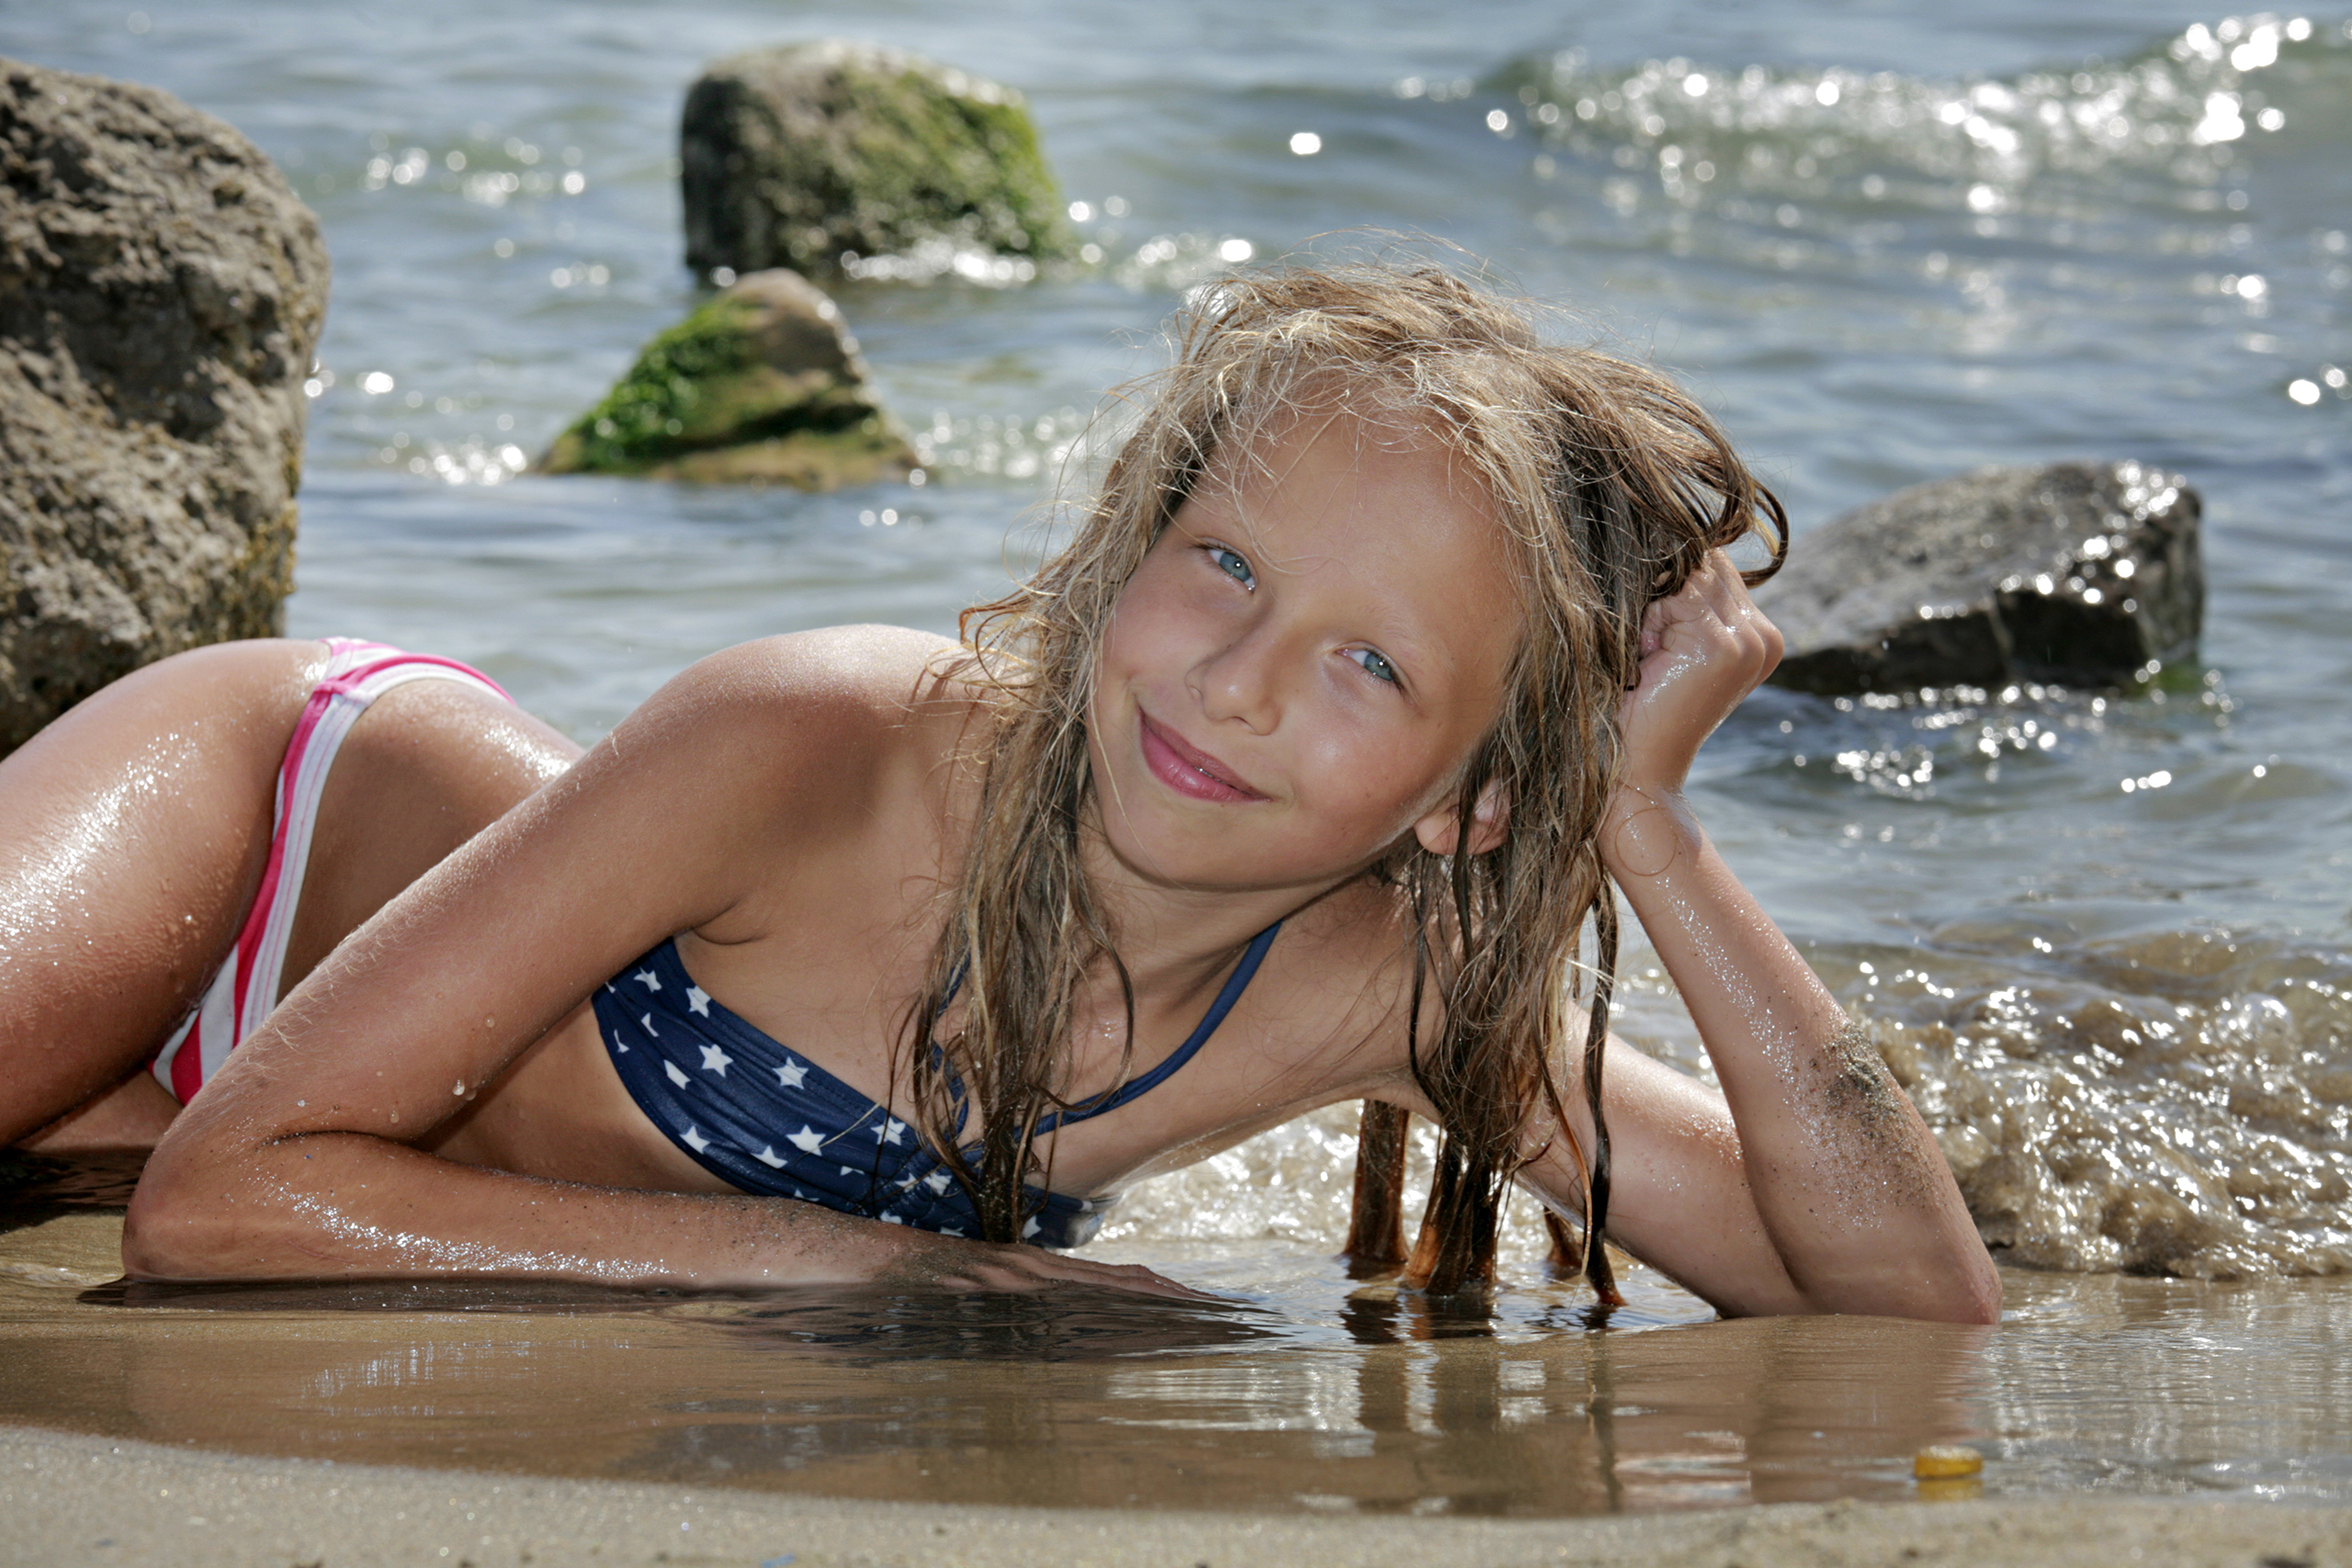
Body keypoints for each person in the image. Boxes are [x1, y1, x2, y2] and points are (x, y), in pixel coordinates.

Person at [0, 265, 1999, 1322]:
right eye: (1220, 563)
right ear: (1127, 544)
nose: (1233, 676)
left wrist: (1640, 826)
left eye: (1370, 664)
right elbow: (230, 1200)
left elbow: (1906, 1297)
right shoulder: (820, 737)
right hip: (256, 825)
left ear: (1469, 800)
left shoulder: (1373, 984)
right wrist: (877, 1263)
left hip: (216, 1106)